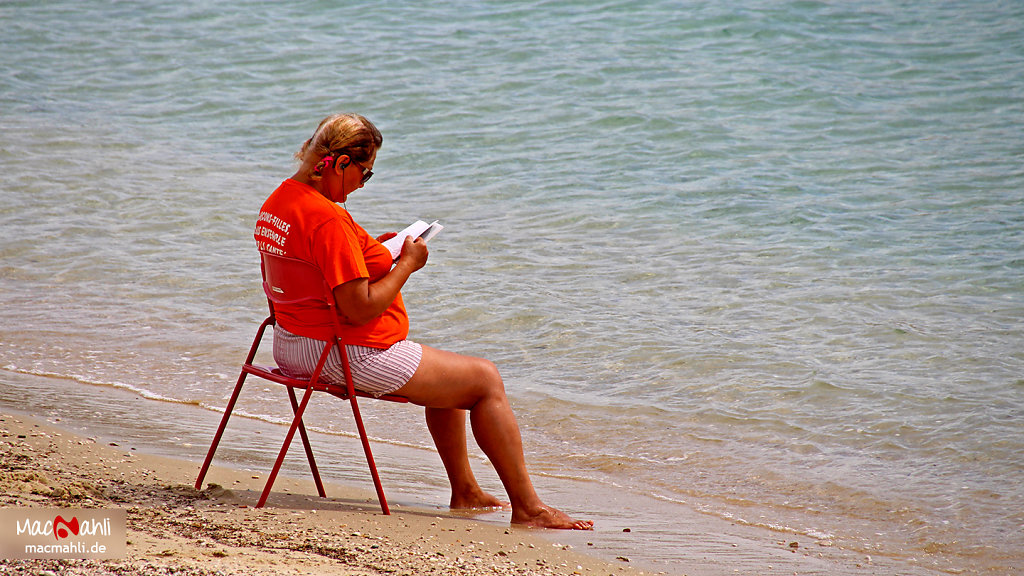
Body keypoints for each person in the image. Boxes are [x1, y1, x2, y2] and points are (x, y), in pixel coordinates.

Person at [254, 113, 593, 530]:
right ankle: (529, 507)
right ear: (340, 164)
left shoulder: (279, 200)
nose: (362, 183)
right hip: (340, 351)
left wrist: (374, 250)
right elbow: (359, 308)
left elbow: (311, 269)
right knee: (485, 380)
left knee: (448, 372)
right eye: (366, 172)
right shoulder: (328, 220)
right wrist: (407, 264)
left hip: (291, 342)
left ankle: (466, 489)